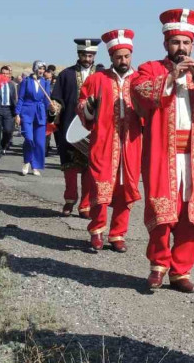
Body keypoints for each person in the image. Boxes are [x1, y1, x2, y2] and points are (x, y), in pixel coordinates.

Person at [133, 9, 194, 293]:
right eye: (175, 42)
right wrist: (169, 78)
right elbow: (139, 92)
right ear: (166, 44)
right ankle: (158, 265)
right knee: (163, 211)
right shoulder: (150, 68)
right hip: (163, 154)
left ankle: (181, 271)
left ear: (193, 45)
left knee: (193, 214)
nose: (181, 48)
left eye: (186, 43)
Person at [77, 29, 143, 253]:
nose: (123, 60)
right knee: (100, 188)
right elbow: (82, 105)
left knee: (126, 189)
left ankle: (118, 233)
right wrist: (88, 108)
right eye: (118, 57)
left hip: (131, 145)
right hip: (103, 143)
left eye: (126, 56)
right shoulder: (98, 79)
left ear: (131, 55)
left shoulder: (139, 80)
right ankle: (96, 231)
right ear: (111, 58)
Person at [51, 38, 100, 218]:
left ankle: (85, 205)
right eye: (84, 54)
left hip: (94, 129)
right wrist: (55, 106)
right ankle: (69, 200)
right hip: (69, 127)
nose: (87, 58)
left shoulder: (102, 74)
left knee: (89, 169)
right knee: (70, 168)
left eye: (91, 55)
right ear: (78, 54)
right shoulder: (66, 75)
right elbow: (58, 98)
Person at [16, 60, 51, 176]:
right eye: (40, 68)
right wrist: (17, 114)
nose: (41, 71)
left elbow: (47, 101)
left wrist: (52, 108)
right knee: (29, 139)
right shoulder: (26, 81)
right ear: (35, 69)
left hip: (40, 113)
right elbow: (20, 98)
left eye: (43, 69)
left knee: (40, 142)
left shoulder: (45, 83)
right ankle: (27, 161)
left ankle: (35, 165)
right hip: (26, 112)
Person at [0, 66, 17, 158]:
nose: (5, 75)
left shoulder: (11, 85)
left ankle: (3, 145)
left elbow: (14, 98)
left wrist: (16, 112)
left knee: (8, 131)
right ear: (0, 74)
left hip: (8, 110)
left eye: (7, 74)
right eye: (3, 73)